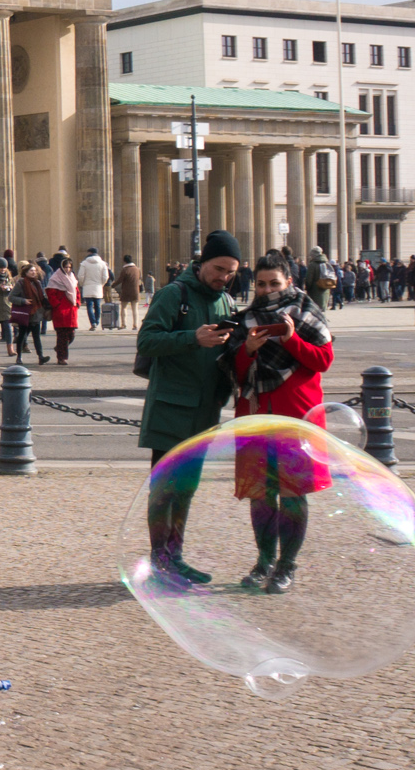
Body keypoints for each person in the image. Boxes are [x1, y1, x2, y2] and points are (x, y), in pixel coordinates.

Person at [225, 252, 335, 593]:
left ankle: (286, 565)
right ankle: (263, 562)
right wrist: (249, 350)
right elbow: (235, 372)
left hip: (296, 416)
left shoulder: (306, 313)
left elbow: (323, 360)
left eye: (274, 282)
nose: (267, 289)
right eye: (261, 283)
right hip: (255, 416)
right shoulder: (245, 319)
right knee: (261, 495)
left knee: (291, 494)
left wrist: (291, 340)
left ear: (289, 281)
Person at [137, 230, 242, 584]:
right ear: (201, 264)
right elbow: (147, 339)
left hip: (205, 411)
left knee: (186, 489)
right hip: (170, 408)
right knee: (164, 490)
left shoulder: (225, 301)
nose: (223, 277)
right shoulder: (174, 294)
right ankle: (158, 561)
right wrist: (191, 338)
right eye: (218, 269)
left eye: (230, 272)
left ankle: (175, 557)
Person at [45, 256, 81, 364]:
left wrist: (77, 303)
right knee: (62, 336)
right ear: (61, 267)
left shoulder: (72, 278)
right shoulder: (55, 278)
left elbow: (77, 292)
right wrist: (57, 305)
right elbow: (51, 294)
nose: (68, 269)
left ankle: (60, 349)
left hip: (71, 310)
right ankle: (61, 358)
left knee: (71, 335)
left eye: (69, 267)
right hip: (60, 311)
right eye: (66, 267)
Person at [10, 263, 48, 364]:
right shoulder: (21, 283)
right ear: (26, 272)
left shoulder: (37, 283)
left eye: (35, 270)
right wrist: (23, 301)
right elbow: (11, 297)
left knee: (37, 337)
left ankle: (41, 357)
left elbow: (41, 296)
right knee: (22, 336)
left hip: (36, 314)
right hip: (25, 314)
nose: (33, 272)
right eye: (31, 270)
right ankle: (19, 357)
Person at [76, 247, 111, 329]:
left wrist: (82, 284)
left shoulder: (84, 263)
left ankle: (93, 322)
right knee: (97, 306)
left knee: (89, 306)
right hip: (98, 287)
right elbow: (106, 276)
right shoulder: (103, 264)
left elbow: (80, 276)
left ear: (89, 253)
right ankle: (97, 321)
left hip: (87, 287)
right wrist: (101, 284)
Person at [304, 246, 336, 313]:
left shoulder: (312, 264)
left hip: (315, 290)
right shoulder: (326, 263)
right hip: (326, 288)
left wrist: (307, 287)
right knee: (322, 309)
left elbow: (309, 279)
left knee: (315, 309)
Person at [115, 255, 142, 330]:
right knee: (135, 309)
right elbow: (140, 278)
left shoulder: (125, 269)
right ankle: (135, 325)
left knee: (124, 307)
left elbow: (120, 280)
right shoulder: (137, 269)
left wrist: (113, 285)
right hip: (135, 291)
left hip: (126, 291)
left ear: (125, 261)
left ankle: (124, 324)